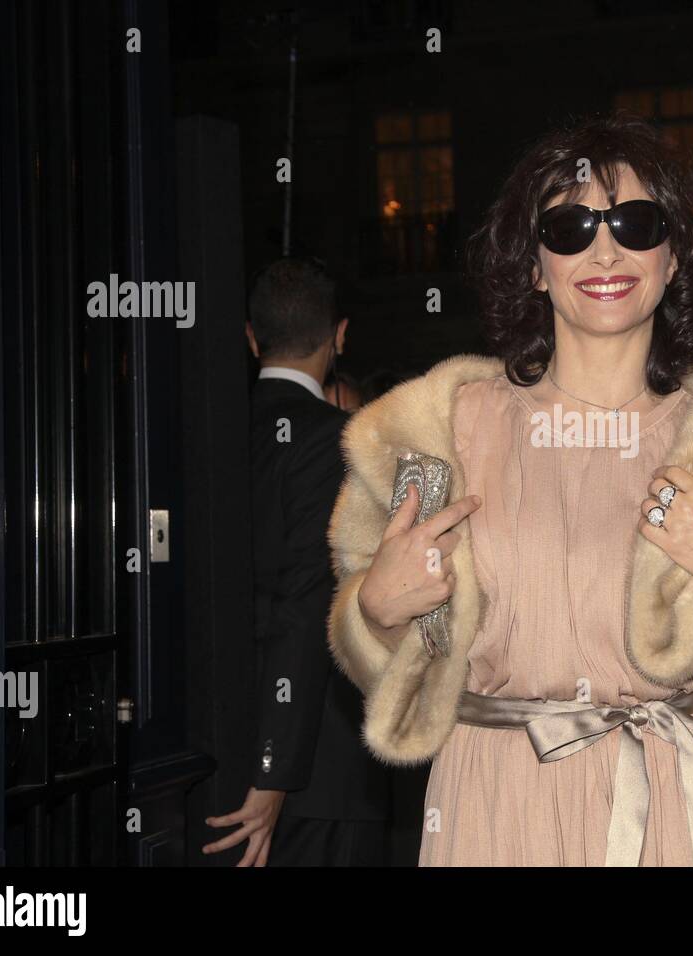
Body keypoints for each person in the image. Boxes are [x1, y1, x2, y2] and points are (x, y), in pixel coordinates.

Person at [326, 112, 693, 866]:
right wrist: (375, 609)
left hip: (675, 808)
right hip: (496, 806)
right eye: (569, 228)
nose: (606, 248)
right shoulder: (441, 431)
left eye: (637, 223)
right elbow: (394, 663)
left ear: (674, 257)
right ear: (535, 264)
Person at [203, 256, 393, 866]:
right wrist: (272, 773)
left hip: (216, 749)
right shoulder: (338, 440)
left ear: (252, 338)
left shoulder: (204, 436)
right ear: (339, 336)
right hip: (317, 771)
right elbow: (306, 606)